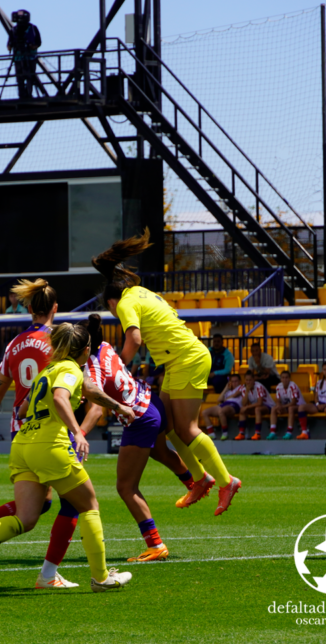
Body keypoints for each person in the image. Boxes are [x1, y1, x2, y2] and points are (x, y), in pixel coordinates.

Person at [0, 322, 135, 592]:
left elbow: (26, 407)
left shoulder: (47, 370)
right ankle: (101, 578)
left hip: (23, 445)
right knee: (89, 505)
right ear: (85, 350)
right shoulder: (70, 369)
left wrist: (118, 406)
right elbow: (62, 397)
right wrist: (78, 432)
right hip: (50, 446)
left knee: (26, 519)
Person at [93, 229, 240, 515]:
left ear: (110, 303)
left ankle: (227, 481)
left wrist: (116, 369)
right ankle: (200, 479)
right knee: (170, 428)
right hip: (179, 360)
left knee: (187, 428)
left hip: (188, 359)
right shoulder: (140, 292)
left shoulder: (124, 303)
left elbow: (133, 339)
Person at [0, 279, 92, 589]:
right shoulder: (59, 341)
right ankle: (50, 574)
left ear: (28, 308)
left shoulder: (14, 344)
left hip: (20, 430)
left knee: (41, 503)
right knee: (75, 502)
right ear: (55, 308)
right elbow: (68, 384)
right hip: (52, 430)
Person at [79, 314, 194, 563]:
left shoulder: (90, 368)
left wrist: (80, 433)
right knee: (160, 452)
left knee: (125, 487)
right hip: (151, 403)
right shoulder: (106, 348)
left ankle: (156, 545)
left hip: (139, 418)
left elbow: (97, 408)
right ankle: (195, 484)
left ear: (84, 347)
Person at [7, 9, 41, 100]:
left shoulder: (33, 28)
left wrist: (31, 46)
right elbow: (9, 44)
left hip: (30, 57)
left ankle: (29, 94)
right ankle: (22, 95)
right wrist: (13, 45)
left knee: (30, 76)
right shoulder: (14, 30)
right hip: (18, 58)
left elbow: (38, 42)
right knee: (20, 78)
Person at [303, 361, 326, 440]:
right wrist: (317, 404)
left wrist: (325, 405)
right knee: (301, 407)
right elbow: (315, 396)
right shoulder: (319, 382)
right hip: (320, 405)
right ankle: (304, 432)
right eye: (324, 369)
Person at [201, 373, 243, 441]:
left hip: (234, 405)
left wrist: (226, 399)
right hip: (224, 404)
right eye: (232, 381)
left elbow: (236, 394)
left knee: (221, 411)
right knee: (204, 412)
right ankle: (211, 434)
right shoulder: (228, 391)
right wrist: (226, 388)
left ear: (239, 381)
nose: (234, 383)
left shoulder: (242, 387)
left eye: (236, 381)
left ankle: (225, 433)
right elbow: (219, 399)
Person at [234, 371, 273, 441]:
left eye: (250, 380)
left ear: (253, 380)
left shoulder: (258, 387)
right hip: (256, 407)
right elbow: (244, 403)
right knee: (242, 410)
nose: (248, 382)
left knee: (257, 409)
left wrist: (247, 407)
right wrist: (246, 392)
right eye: (247, 380)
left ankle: (257, 433)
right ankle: (241, 433)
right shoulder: (244, 388)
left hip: (269, 406)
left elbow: (260, 403)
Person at [272, 369, 302, 440]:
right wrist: (279, 406)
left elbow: (294, 402)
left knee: (290, 408)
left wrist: (282, 406)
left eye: (286, 377)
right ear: (280, 379)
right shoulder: (279, 386)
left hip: (299, 406)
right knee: (274, 408)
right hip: (287, 406)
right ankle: (272, 432)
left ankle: (289, 432)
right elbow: (278, 400)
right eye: (283, 377)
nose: (285, 379)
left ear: (289, 378)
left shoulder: (293, 386)